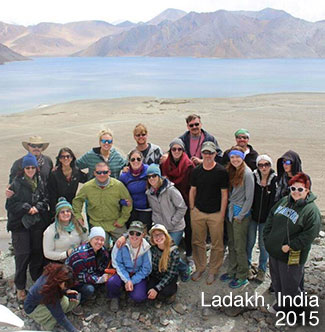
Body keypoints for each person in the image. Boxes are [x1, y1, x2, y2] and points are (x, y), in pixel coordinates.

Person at [263, 172, 321, 316]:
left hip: (292, 255)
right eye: (293, 189)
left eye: (300, 189)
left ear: (307, 191)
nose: (296, 192)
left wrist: (291, 246)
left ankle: (292, 311)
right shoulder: (284, 201)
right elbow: (271, 217)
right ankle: (282, 305)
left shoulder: (311, 211)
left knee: (290, 284)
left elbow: (309, 234)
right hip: (275, 251)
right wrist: (267, 238)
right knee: (277, 281)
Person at [5, 153, 49, 302]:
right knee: (22, 255)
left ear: (36, 168)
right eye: (27, 167)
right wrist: (26, 208)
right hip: (20, 224)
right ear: (23, 169)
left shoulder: (40, 182)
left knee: (37, 252)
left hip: (36, 222)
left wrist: (37, 207)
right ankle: (20, 287)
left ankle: (36, 281)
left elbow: (45, 200)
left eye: (32, 167)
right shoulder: (15, 183)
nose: (30, 170)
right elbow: (10, 205)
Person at [189, 141, 229, 285]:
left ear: (215, 154)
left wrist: (222, 214)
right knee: (197, 241)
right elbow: (192, 190)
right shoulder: (196, 171)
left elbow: (224, 194)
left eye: (210, 153)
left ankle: (213, 270)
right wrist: (192, 208)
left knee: (217, 244)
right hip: (198, 212)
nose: (207, 155)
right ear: (202, 153)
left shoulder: (221, 172)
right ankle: (200, 267)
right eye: (205, 152)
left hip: (216, 214)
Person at [146, 164, 191, 281]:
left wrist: (172, 222)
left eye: (154, 176)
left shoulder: (171, 190)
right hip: (162, 228)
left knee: (169, 249)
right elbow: (155, 211)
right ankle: (172, 269)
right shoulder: (149, 193)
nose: (151, 179)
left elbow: (182, 208)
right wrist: (156, 225)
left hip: (175, 227)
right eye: (149, 176)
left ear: (159, 176)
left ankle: (183, 268)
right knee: (161, 249)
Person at [73, 162, 132, 245]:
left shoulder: (118, 186)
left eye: (105, 172)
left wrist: (122, 220)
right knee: (99, 247)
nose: (102, 175)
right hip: (97, 223)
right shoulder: (87, 187)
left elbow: (128, 203)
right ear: (94, 173)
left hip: (115, 223)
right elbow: (77, 201)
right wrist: (78, 216)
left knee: (125, 244)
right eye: (99, 172)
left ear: (109, 172)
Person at [220, 146, 254, 288]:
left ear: (242, 157)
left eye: (237, 157)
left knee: (240, 246)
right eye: (232, 157)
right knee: (232, 243)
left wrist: (241, 215)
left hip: (241, 213)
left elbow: (249, 198)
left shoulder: (247, 173)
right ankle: (232, 270)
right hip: (231, 211)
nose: (235, 160)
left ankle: (242, 274)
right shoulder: (231, 170)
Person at [161, 138, 194, 262]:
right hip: (169, 201)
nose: (176, 151)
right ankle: (171, 250)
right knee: (171, 225)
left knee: (188, 227)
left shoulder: (189, 165)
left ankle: (190, 253)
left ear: (183, 150)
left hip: (185, 200)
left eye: (179, 149)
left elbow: (192, 186)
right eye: (174, 149)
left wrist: (191, 204)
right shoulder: (165, 164)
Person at [107, 221, 152, 312]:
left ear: (142, 235)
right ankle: (115, 297)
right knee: (111, 282)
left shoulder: (146, 248)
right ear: (128, 233)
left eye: (138, 234)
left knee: (139, 296)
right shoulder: (121, 245)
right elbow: (117, 264)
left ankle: (128, 291)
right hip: (122, 273)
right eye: (131, 233)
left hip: (137, 275)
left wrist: (132, 281)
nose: (134, 236)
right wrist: (127, 279)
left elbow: (146, 269)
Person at [246, 154, 277, 283]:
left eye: (267, 164)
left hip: (267, 219)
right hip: (253, 216)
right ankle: (247, 266)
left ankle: (262, 269)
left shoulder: (275, 180)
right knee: (250, 242)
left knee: (264, 246)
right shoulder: (253, 177)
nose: (264, 167)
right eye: (261, 165)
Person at [24, 263, 81, 332]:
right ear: (61, 281)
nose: (67, 287)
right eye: (66, 285)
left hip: (38, 301)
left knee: (65, 302)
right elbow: (59, 315)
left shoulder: (53, 274)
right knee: (64, 305)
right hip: (32, 309)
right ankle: (45, 323)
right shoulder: (47, 291)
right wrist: (73, 330)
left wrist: (66, 291)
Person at [65, 226, 110, 302]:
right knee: (89, 289)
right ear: (90, 239)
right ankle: (75, 300)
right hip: (73, 281)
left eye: (102, 240)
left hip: (91, 275)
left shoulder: (103, 251)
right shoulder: (80, 255)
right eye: (97, 239)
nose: (99, 242)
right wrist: (98, 279)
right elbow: (79, 275)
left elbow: (103, 266)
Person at [43, 197, 88, 263]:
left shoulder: (79, 226)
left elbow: (86, 241)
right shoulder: (50, 230)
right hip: (59, 263)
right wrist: (66, 254)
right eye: (62, 212)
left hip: (78, 259)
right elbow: (47, 253)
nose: (66, 214)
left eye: (68, 211)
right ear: (57, 215)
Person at [48, 147, 87, 219]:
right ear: (59, 159)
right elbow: (51, 194)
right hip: (58, 207)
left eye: (68, 156)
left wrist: (97, 171)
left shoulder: (76, 171)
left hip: (71, 206)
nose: (65, 158)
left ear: (72, 158)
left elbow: (86, 179)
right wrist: (54, 212)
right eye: (62, 157)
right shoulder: (54, 174)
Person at [119, 149, 152, 230]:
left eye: (138, 159)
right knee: (132, 234)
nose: (136, 161)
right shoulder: (124, 175)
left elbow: (158, 177)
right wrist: (123, 202)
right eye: (133, 159)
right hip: (132, 210)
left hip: (146, 210)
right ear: (129, 161)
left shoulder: (148, 170)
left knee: (144, 234)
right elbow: (119, 193)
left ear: (142, 160)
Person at [147, 224, 180, 304]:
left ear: (166, 235)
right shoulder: (152, 247)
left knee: (164, 293)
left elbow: (170, 274)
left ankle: (173, 291)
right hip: (155, 275)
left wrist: (156, 289)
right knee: (147, 291)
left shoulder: (174, 251)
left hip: (168, 277)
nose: (158, 237)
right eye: (155, 236)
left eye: (160, 234)